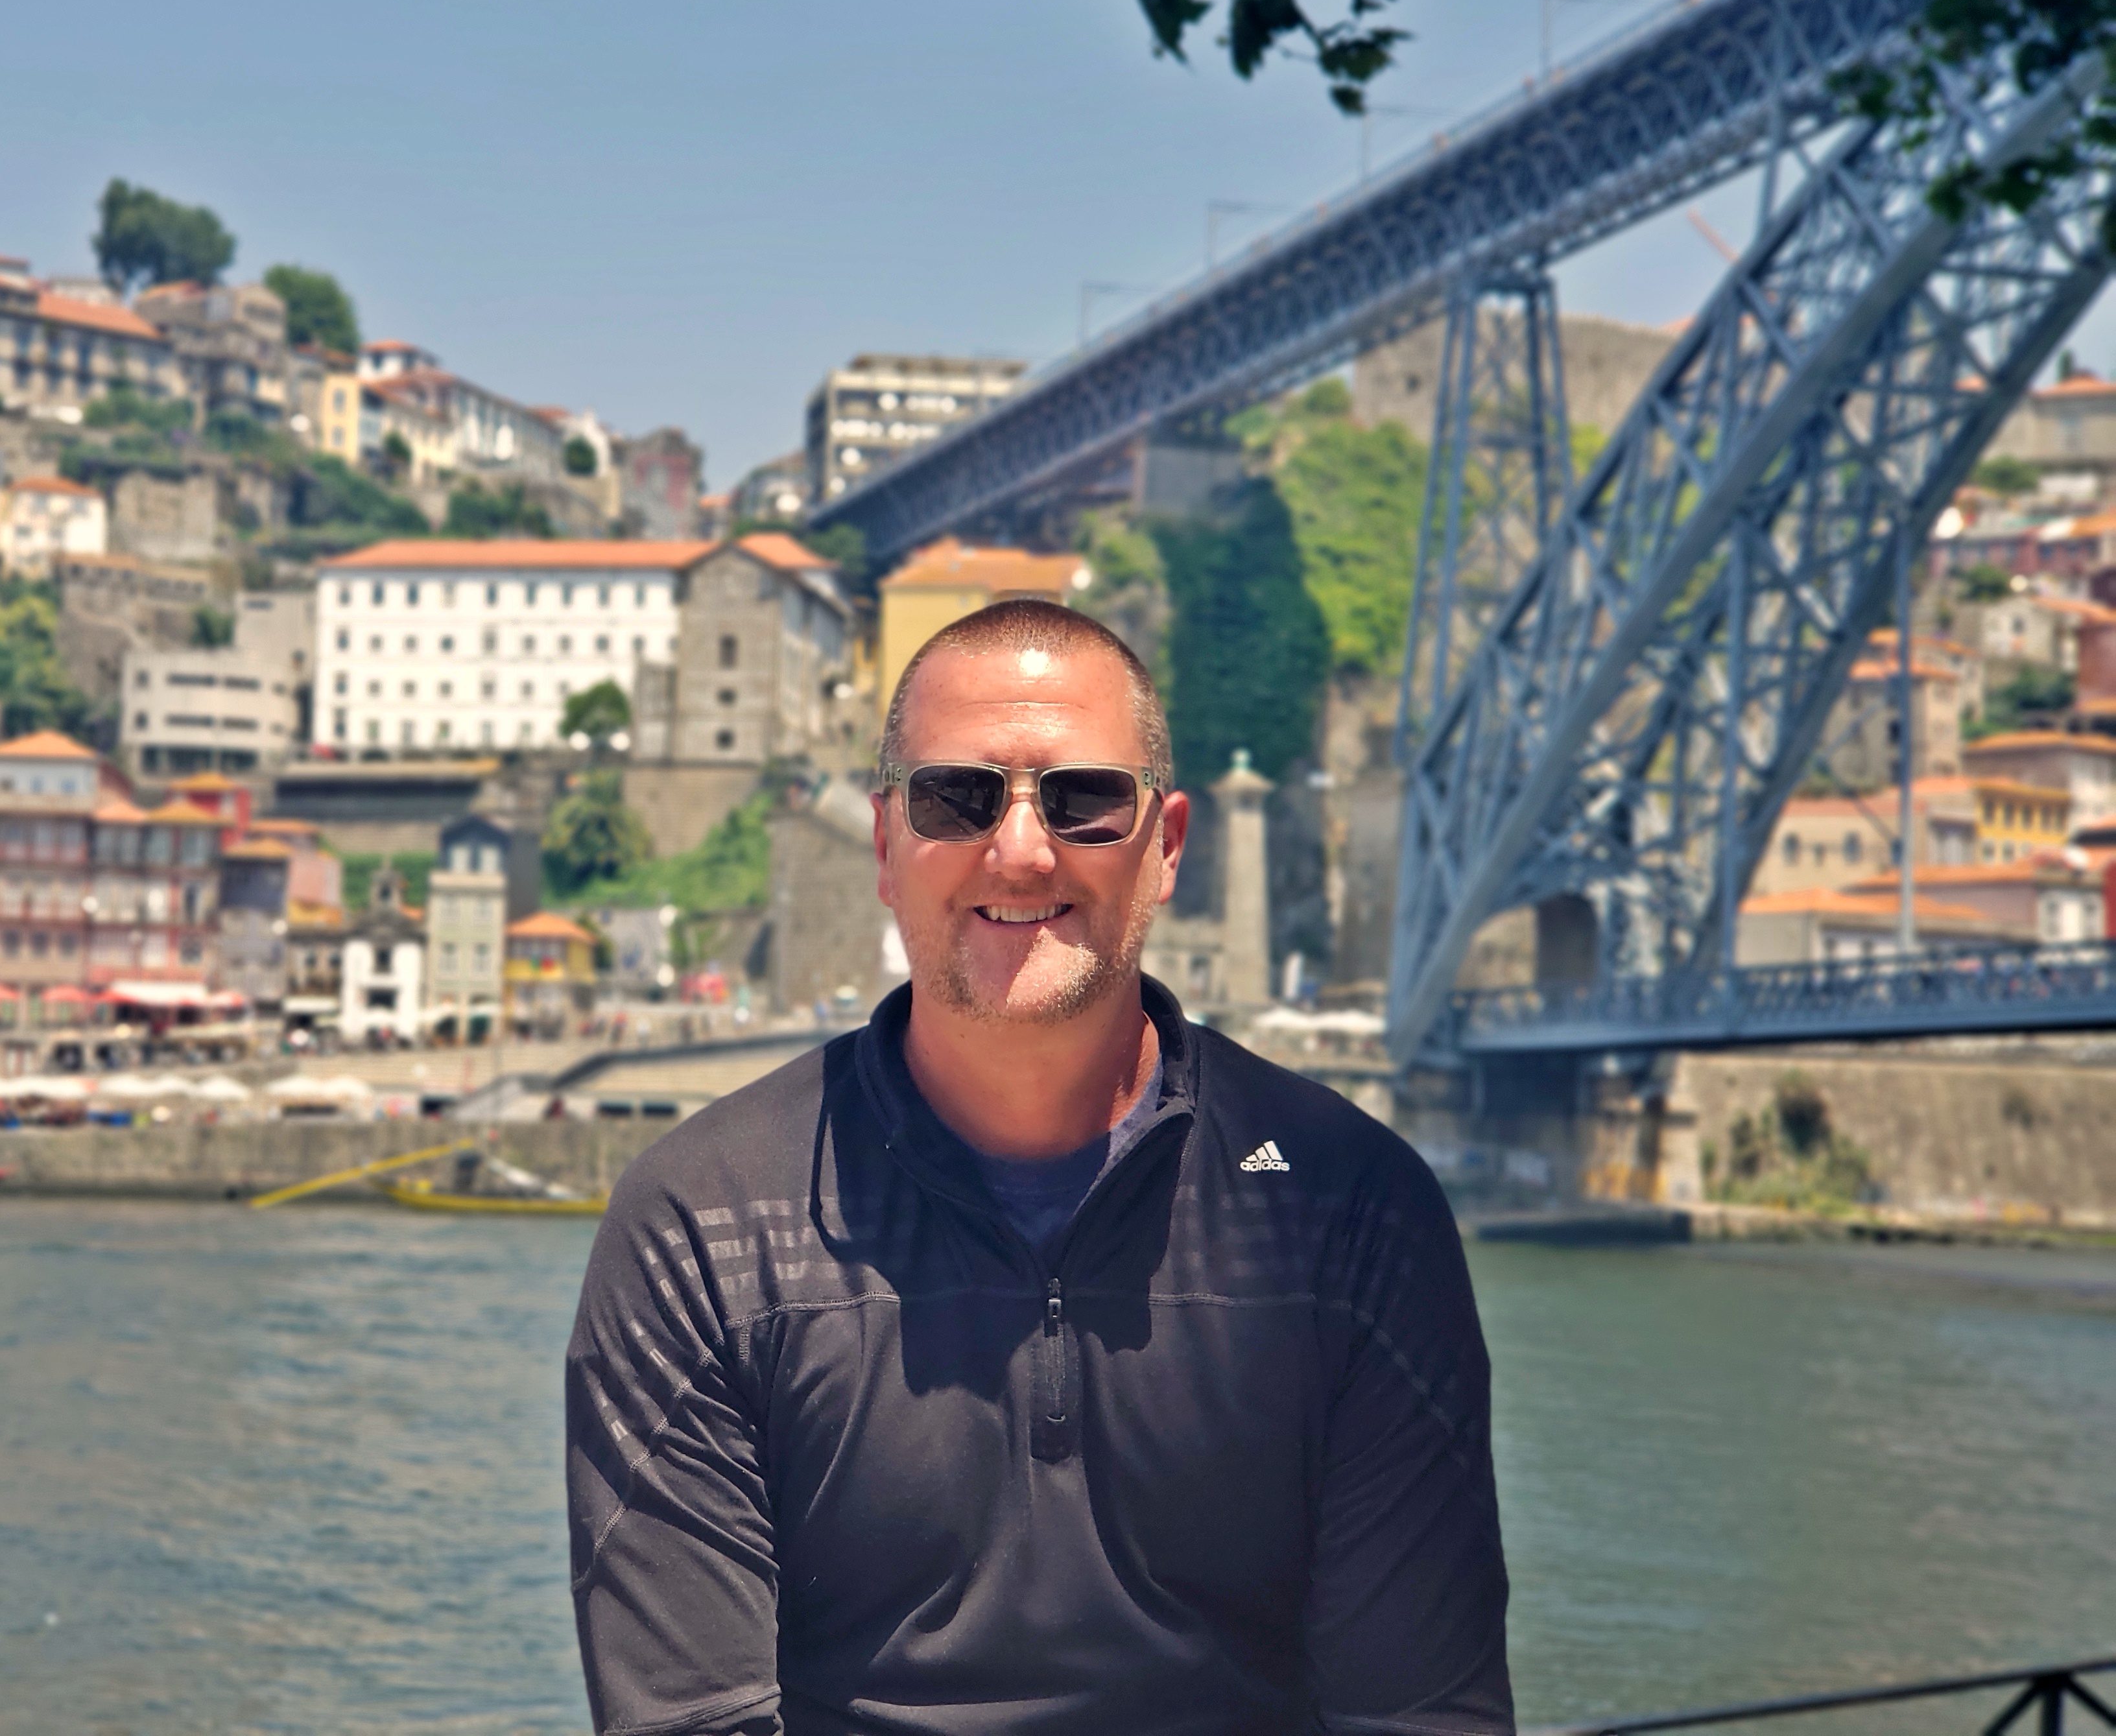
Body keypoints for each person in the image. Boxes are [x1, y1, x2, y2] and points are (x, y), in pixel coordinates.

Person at [565, 600, 1512, 1736]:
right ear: (884, 845)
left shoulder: (1352, 1211)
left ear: (1166, 847)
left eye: (1084, 800)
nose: (1020, 849)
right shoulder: (702, 1223)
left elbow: (1418, 1715)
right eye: (957, 797)